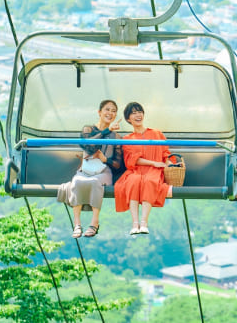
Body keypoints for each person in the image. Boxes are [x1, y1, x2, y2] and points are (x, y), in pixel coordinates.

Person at [57, 99, 123, 238]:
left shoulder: (116, 136)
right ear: (99, 112)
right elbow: (88, 146)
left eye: (113, 111)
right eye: (107, 109)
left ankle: (95, 222)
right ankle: (77, 224)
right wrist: (107, 131)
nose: (110, 113)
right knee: (77, 182)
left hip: (103, 172)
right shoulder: (88, 130)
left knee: (94, 182)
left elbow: (118, 164)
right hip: (86, 170)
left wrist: (106, 160)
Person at [114, 102, 173, 235]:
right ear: (128, 119)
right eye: (133, 113)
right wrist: (153, 163)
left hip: (154, 171)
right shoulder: (127, 139)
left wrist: (168, 163)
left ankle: (144, 222)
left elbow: (165, 152)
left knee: (150, 181)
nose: (137, 115)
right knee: (133, 181)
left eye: (139, 112)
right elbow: (131, 159)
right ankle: (135, 223)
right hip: (137, 169)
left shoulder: (157, 134)